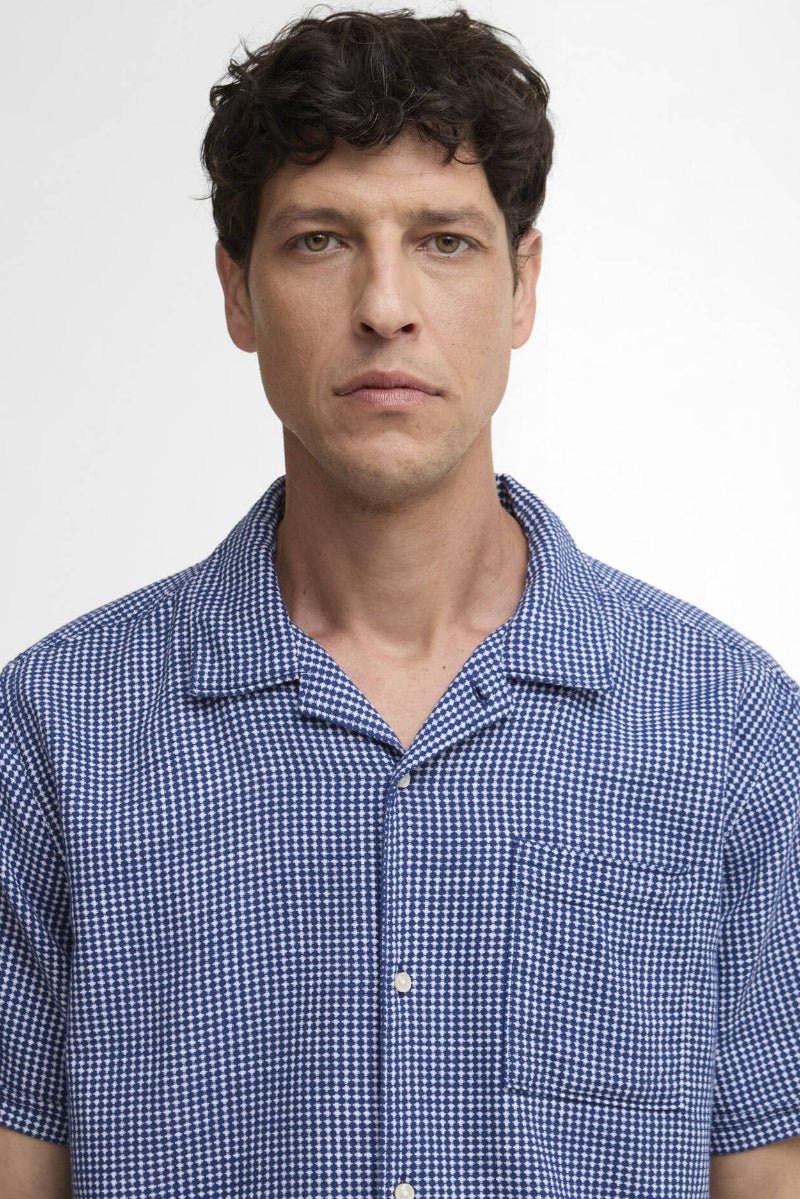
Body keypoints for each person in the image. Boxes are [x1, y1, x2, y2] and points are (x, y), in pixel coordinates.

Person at [1, 7, 798, 1197]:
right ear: (237, 291)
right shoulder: (56, 730)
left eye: (444, 240)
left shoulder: (728, 722)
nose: (385, 304)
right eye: (320, 240)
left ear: (522, 285)